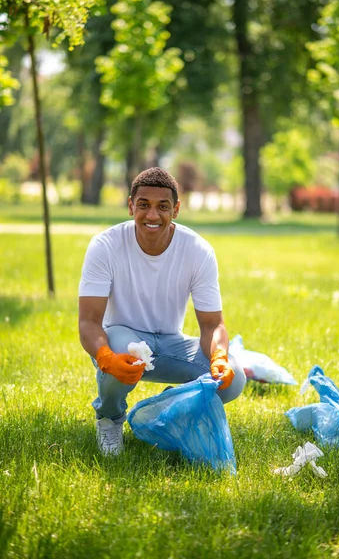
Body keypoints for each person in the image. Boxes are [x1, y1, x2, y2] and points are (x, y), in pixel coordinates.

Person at [78, 167, 246, 455]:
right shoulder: (105, 246)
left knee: (235, 379)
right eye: (143, 205)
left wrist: (219, 357)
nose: (152, 215)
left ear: (176, 210)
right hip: (121, 342)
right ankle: (109, 418)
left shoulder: (198, 250)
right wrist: (105, 358)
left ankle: (166, 412)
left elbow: (212, 326)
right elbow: (89, 321)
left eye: (162, 206)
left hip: (170, 343)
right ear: (131, 205)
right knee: (119, 346)